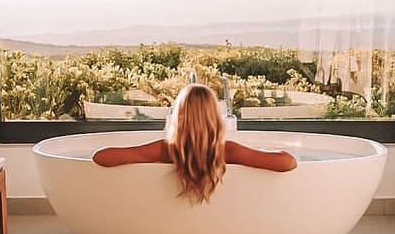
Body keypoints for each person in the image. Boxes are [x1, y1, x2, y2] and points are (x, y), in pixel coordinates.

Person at [92, 83, 297, 202]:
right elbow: (288, 162)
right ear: (214, 118)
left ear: (178, 116)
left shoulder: (166, 150)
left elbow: (101, 156)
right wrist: (262, 151)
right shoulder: (228, 151)